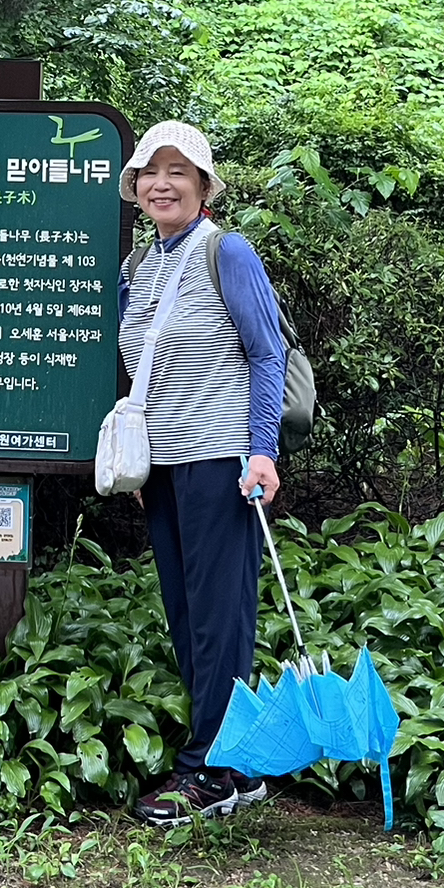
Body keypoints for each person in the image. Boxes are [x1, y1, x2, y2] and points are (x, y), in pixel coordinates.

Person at [117, 121, 285, 827]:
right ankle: (233, 764)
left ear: (202, 185)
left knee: (219, 619)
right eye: (151, 173)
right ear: (136, 187)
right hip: (162, 465)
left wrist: (262, 449)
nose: (163, 184)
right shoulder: (140, 264)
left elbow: (268, 352)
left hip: (220, 460)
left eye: (178, 172)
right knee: (188, 616)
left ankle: (209, 773)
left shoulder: (227, 251)